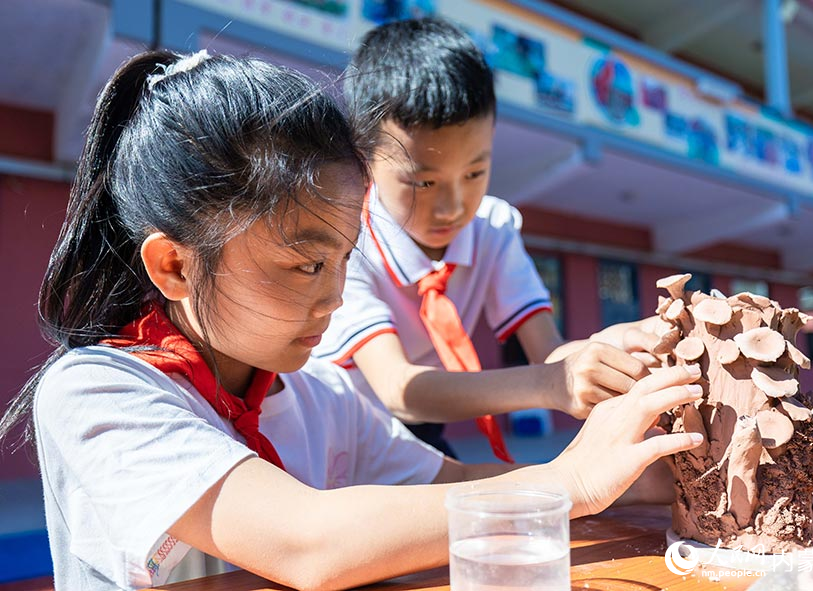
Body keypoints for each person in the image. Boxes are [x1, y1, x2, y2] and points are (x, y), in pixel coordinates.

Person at [0, 50, 703, 591]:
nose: (335, 295)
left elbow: (452, 488)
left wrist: (629, 475)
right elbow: (308, 541)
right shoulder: (97, 391)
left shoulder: (321, 397)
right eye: (307, 265)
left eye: (345, 259)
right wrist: (570, 483)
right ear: (176, 267)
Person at [313, 17, 659, 460]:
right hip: (332, 433)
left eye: (475, 173)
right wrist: (552, 383)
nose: (453, 207)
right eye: (423, 182)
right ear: (364, 160)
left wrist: (608, 349)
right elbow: (399, 388)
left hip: (419, 431)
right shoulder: (346, 240)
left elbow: (549, 354)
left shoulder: (491, 227)